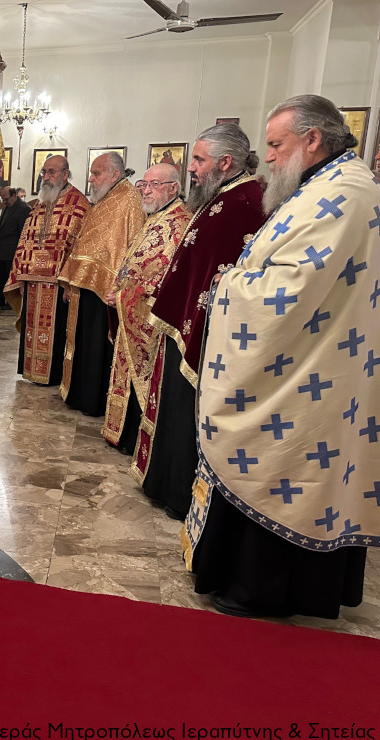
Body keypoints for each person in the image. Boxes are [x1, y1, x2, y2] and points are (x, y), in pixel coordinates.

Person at [186, 94, 380, 619]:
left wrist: (228, 288)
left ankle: (264, 589)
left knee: (286, 465)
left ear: (312, 140)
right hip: (313, 357)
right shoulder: (329, 185)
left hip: (309, 366)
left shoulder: (343, 194)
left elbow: (291, 290)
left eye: (275, 144)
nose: (266, 157)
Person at [130, 123, 265, 521]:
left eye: (199, 160)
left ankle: (179, 490)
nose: (192, 168)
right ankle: (165, 482)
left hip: (205, 332)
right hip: (183, 321)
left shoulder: (247, 201)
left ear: (225, 162)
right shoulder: (219, 196)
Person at [101, 163, 191, 454]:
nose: (146, 190)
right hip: (129, 307)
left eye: (154, 184)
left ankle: (135, 440)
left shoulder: (179, 222)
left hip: (148, 316)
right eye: (144, 183)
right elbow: (133, 261)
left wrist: (126, 295)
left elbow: (165, 276)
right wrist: (118, 287)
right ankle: (121, 433)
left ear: (173, 188)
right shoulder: (155, 217)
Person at [57, 151, 145, 416]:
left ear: (115, 174)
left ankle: (92, 399)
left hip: (104, 288)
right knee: (84, 342)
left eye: (97, 173)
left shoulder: (127, 199)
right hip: (87, 285)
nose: (91, 179)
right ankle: (79, 393)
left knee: (97, 346)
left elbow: (123, 246)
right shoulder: (108, 198)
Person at [4, 155, 90, 386]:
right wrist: (20, 277)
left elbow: (80, 248)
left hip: (57, 285)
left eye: (52, 172)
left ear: (65, 174)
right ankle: (32, 371)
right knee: (33, 331)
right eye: (44, 172)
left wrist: (69, 282)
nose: (47, 177)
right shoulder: (39, 204)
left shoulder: (79, 204)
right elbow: (25, 242)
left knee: (57, 333)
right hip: (32, 284)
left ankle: (53, 376)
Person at [0, 187, 31, 307]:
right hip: (3, 250)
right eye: (3, 199)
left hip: (13, 251)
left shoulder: (24, 209)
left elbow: (23, 233)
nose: (4, 202)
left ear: (14, 195)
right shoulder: (6, 208)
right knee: (2, 277)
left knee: (11, 278)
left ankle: (11, 301)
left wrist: (20, 252)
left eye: (6, 199)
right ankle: (0, 299)